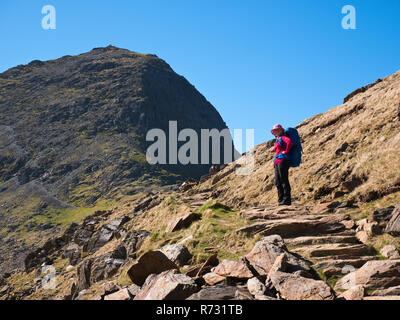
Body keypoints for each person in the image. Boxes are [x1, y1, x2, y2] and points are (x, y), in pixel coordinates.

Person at [271, 124, 292, 205]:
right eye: (275, 130)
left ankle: (287, 200)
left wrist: (286, 151)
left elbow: (289, 142)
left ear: (281, 130)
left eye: (277, 130)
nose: (276, 132)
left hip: (283, 160)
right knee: (277, 181)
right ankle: (281, 200)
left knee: (283, 179)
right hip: (277, 161)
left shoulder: (283, 137)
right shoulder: (278, 139)